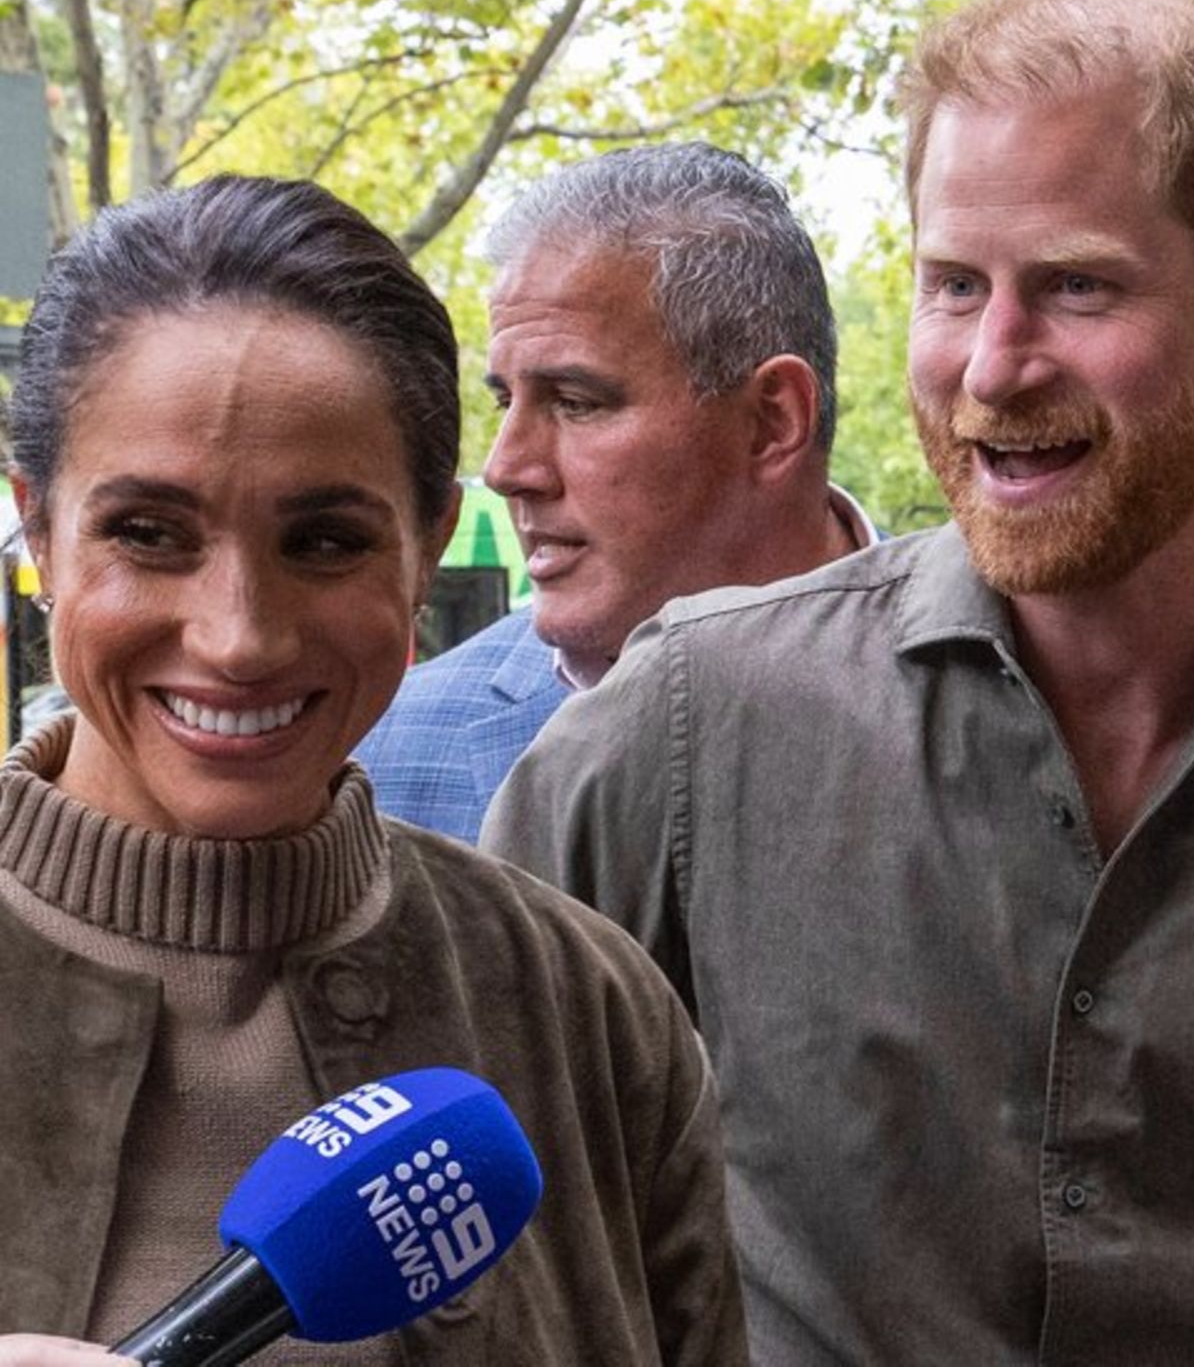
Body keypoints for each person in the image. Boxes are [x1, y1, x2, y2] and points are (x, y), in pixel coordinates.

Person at [481, 0, 1194, 1365]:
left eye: (1074, 287)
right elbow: (475, 1248)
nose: (993, 366)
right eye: (953, 286)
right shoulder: (684, 726)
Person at [0, 175, 746, 1366]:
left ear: (427, 549)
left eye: (327, 541)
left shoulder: (586, 1009)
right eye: (147, 533)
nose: (239, 634)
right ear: (40, 531)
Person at [356, 142, 877, 842]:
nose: (507, 468)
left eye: (574, 402)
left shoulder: (1018, 696)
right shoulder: (384, 764)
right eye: (505, 400)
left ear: (771, 421)